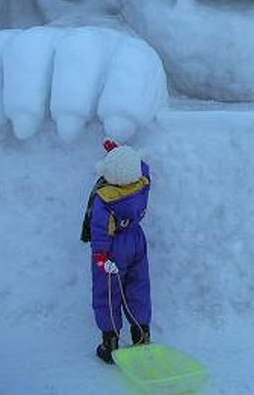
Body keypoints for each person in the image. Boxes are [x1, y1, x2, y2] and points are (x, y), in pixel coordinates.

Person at [85, 139, 152, 363]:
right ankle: (142, 335)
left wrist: (100, 256)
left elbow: (100, 231)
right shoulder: (142, 185)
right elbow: (143, 167)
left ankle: (111, 341)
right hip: (137, 240)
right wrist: (123, 155)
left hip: (113, 248)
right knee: (138, 287)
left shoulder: (105, 200)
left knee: (108, 292)